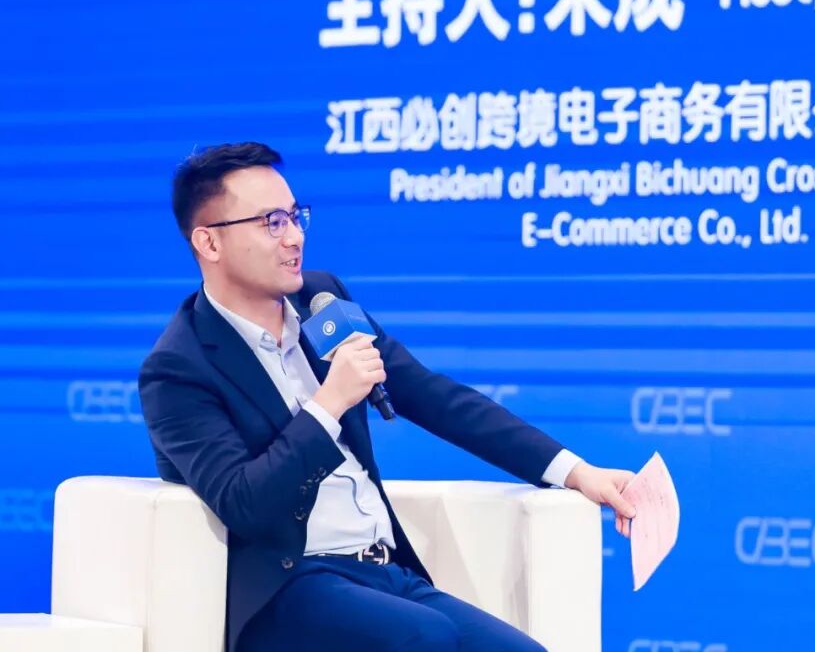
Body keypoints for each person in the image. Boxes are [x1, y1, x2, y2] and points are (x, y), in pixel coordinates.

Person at [138, 142, 637, 652]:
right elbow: (245, 503)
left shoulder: (321, 299)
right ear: (209, 242)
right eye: (272, 222)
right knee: (426, 637)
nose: (294, 237)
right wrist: (329, 403)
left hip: (382, 569)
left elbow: (435, 397)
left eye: (295, 216)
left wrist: (576, 472)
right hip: (287, 587)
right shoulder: (178, 369)